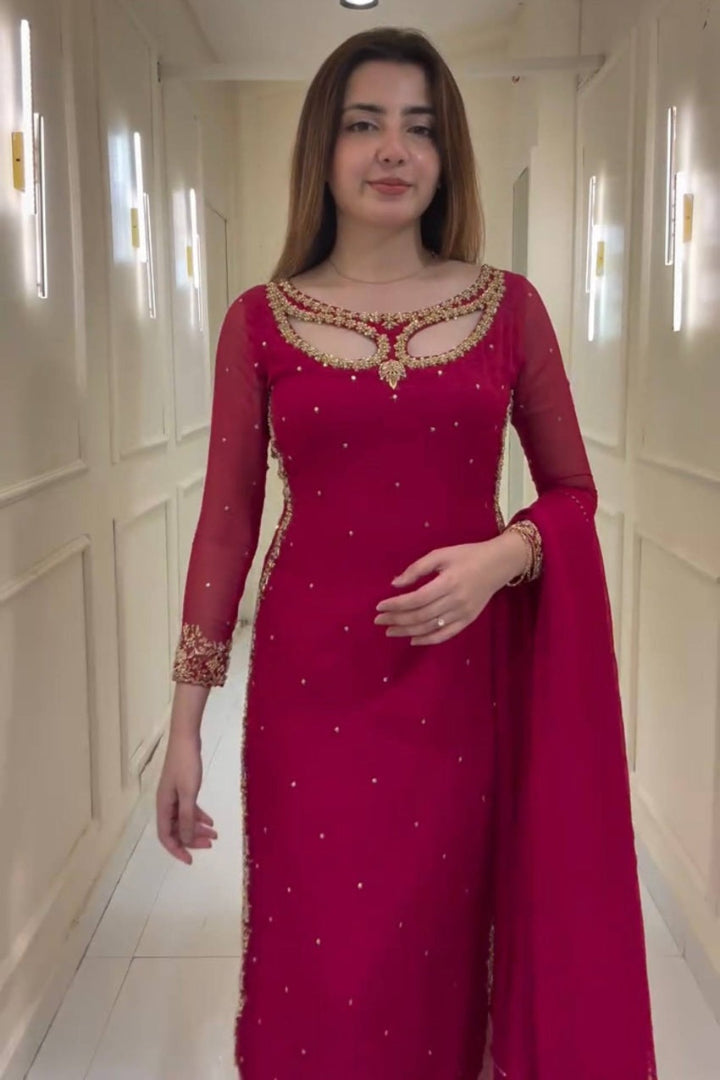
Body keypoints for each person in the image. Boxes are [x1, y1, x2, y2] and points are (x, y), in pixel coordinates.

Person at [156, 26, 658, 1080]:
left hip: (451, 691)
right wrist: (184, 724)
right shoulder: (260, 321)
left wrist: (501, 558)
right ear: (324, 150)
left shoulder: (506, 308)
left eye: (419, 128)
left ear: (446, 154)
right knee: (320, 958)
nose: (393, 150)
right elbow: (227, 522)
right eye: (365, 124)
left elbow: (571, 494)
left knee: (434, 944)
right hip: (307, 689)